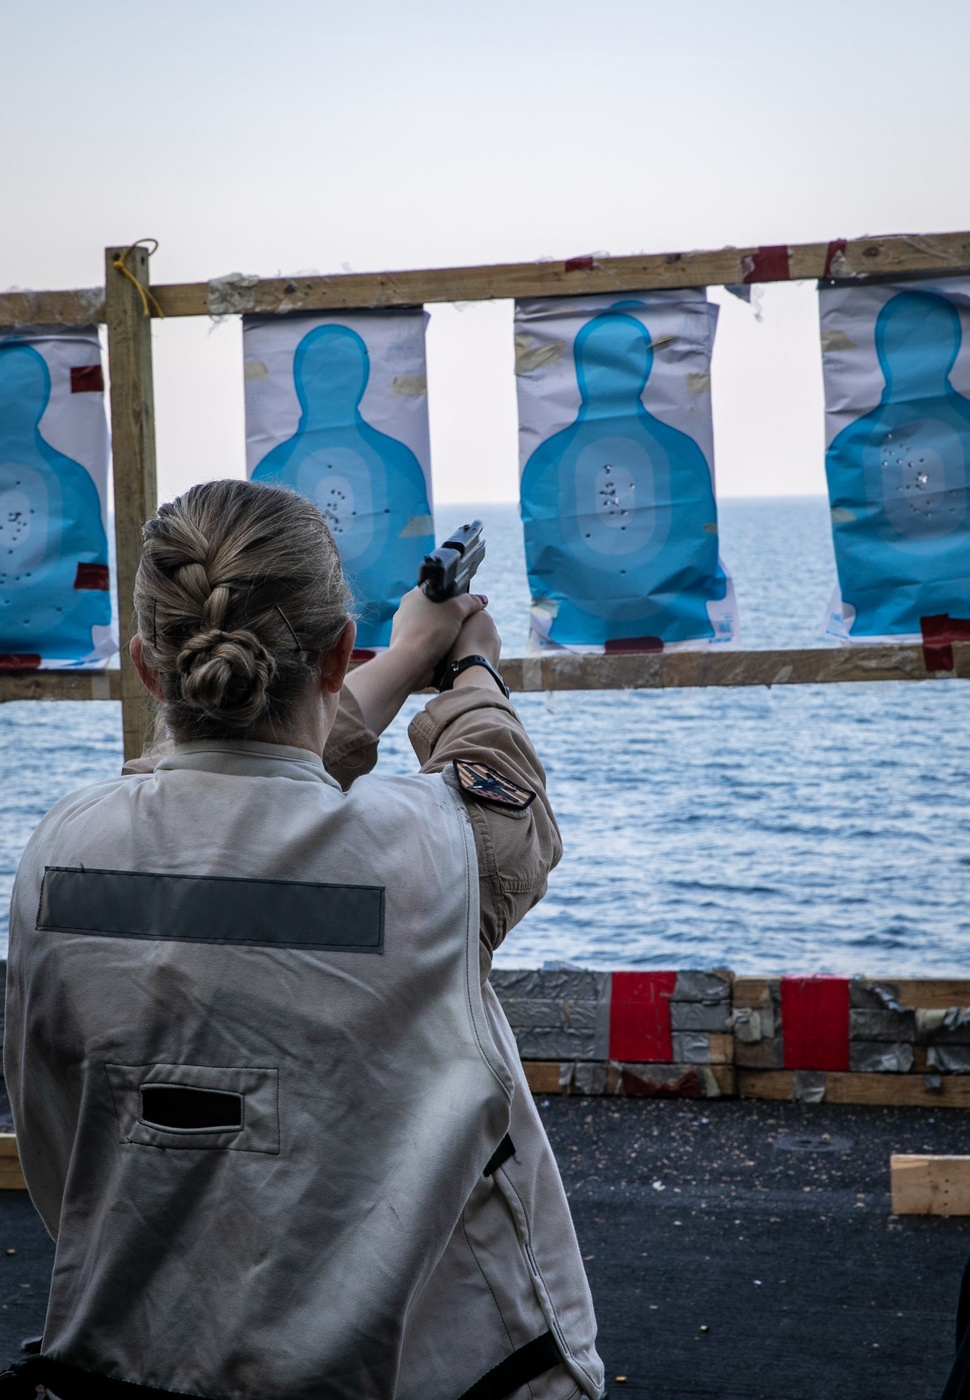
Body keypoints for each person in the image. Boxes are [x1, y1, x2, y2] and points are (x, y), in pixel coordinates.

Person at [2, 480, 605, 1400]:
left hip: (128, 1370)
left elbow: (238, 783)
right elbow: (499, 790)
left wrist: (403, 656)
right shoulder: (428, 856)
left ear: (147, 668)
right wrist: (467, 668)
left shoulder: (61, 854)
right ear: (335, 655)